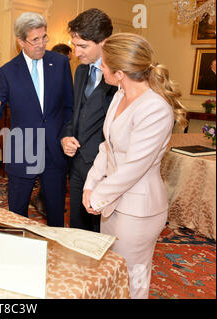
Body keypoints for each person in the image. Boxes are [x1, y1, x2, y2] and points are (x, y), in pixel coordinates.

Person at [82, 33, 187, 299]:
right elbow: (107, 147)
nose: (101, 68)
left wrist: (99, 196)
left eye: (104, 65)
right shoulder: (119, 96)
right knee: (114, 272)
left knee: (133, 277)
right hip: (113, 203)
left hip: (138, 210)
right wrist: (90, 185)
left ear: (119, 73)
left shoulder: (155, 108)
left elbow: (134, 167)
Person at [0, 12, 74, 227]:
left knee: (56, 216)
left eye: (44, 37)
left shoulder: (60, 63)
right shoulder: (8, 72)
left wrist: (66, 135)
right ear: (21, 41)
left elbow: (69, 106)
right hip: (22, 150)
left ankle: (55, 257)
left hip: (54, 150)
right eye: (35, 40)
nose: (42, 44)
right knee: (17, 217)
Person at [60, 8, 117, 232]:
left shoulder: (120, 75)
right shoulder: (81, 72)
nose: (76, 53)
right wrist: (66, 137)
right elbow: (74, 114)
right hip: (76, 165)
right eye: (75, 46)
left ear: (104, 42)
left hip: (104, 170)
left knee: (100, 232)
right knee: (77, 228)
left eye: (83, 46)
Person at [30, 42, 74, 217]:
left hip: (58, 139)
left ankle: (47, 202)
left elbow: (69, 105)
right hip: (34, 140)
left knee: (54, 182)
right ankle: (43, 200)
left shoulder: (66, 73)